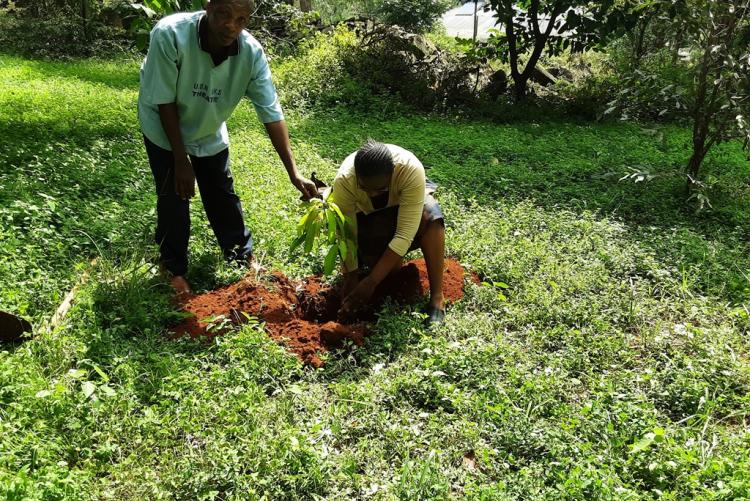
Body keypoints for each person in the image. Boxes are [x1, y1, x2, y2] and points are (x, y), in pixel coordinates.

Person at [138, 0, 318, 295]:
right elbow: (164, 100)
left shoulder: (251, 53)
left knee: (221, 190)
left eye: (241, 19)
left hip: (208, 126)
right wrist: (181, 160)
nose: (231, 25)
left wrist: (293, 172)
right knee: (174, 194)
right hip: (163, 123)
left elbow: (271, 113)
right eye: (224, 14)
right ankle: (173, 268)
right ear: (209, 7)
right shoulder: (170, 34)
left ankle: (240, 254)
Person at [331, 140, 446, 326]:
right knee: (390, 271)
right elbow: (346, 233)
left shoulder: (410, 170)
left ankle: (437, 299)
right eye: (364, 188)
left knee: (432, 217)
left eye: (380, 189)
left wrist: (370, 282)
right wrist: (351, 276)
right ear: (357, 177)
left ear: (392, 175)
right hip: (369, 217)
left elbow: (404, 234)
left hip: (404, 210)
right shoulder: (345, 180)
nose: (372, 194)